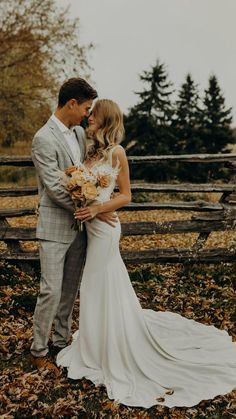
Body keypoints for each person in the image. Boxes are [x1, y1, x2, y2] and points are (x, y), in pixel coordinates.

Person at [57, 99, 236, 408]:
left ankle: (110, 349)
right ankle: (96, 343)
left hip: (106, 229)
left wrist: (98, 208)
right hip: (92, 227)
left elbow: (126, 195)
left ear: (105, 119)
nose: (89, 119)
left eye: (93, 115)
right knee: (95, 285)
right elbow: (81, 191)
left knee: (100, 282)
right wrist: (84, 200)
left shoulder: (117, 153)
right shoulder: (90, 152)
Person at [30, 78, 117, 373]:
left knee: (69, 290)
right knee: (50, 291)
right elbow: (55, 187)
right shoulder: (43, 138)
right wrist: (90, 210)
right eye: (85, 107)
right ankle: (39, 350)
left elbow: (88, 172)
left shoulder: (79, 134)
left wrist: (97, 205)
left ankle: (61, 340)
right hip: (55, 227)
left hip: (80, 230)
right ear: (71, 104)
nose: (86, 114)